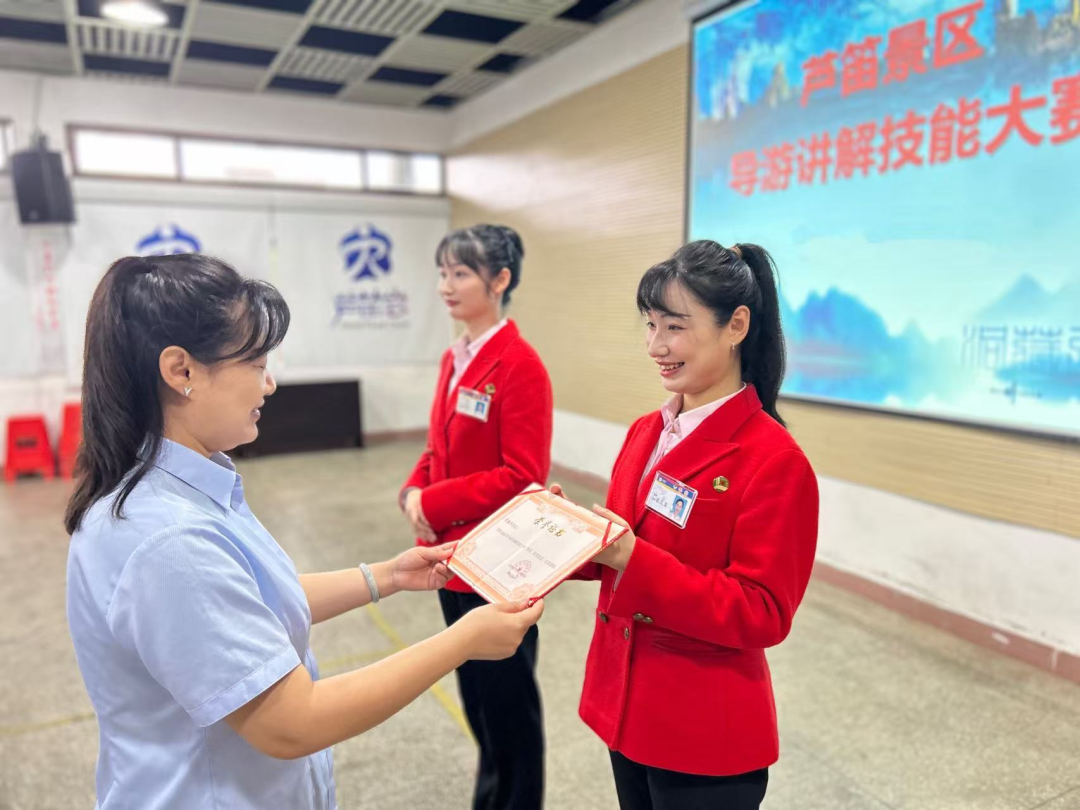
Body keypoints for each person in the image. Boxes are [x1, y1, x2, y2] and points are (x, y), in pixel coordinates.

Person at [64, 254, 543, 810]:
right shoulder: (168, 540)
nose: (269, 383)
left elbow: (250, 600)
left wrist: (387, 576)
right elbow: (292, 723)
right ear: (181, 371)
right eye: (256, 362)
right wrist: (463, 641)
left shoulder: (175, 487)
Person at [555, 240, 818, 810]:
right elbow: (627, 545)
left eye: (675, 327)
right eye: (651, 325)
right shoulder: (646, 431)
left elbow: (762, 611)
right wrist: (565, 532)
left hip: (703, 729)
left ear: (736, 326)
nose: (656, 346)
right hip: (626, 704)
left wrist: (631, 558)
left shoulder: (774, 460)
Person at [401, 224, 553, 810]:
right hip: (453, 560)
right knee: (479, 703)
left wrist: (434, 502)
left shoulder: (520, 364)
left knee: (509, 709)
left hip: (499, 564)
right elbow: (437, 444)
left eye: (460, 273)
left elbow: (522, 475)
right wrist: (413, 489)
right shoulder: (455, 357)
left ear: (500, 280)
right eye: (443, 273)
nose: (446, 285)